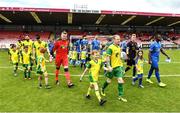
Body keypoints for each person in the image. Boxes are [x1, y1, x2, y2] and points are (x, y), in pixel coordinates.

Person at [101, 35, 127, 102]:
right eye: (117, 39)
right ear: (114, 40)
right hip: (112, 68)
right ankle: (102, 88)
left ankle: (120, 96)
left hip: (118, 67)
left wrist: (122, 67)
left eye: (119, 39)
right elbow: (107, 58)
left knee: (120, 81)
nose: (119, 40)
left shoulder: (119, 47)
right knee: (108, 81)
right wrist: (109, 66)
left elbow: (119, 58)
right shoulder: (110, 47)